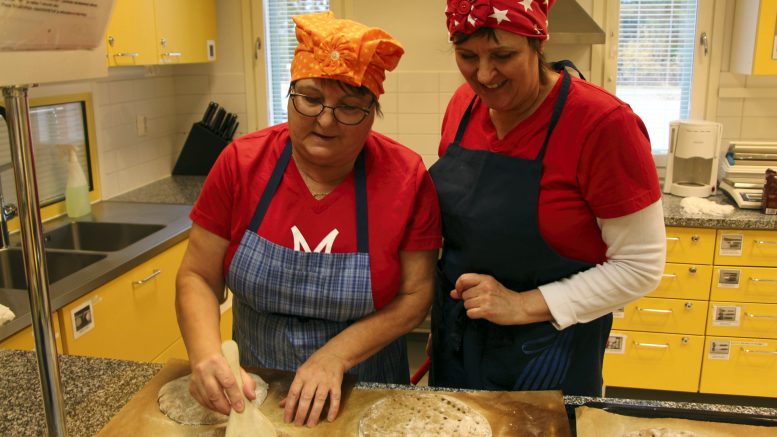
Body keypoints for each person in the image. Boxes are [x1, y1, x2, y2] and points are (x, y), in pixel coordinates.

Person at [176, 11, 441, 427]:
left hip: (367, 392)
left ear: (373, 113)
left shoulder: (405, 178)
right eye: (311, 98)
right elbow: (197, 275)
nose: (325, 120)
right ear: (290, 93)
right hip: (254, 391)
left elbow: (415, 297)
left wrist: (336, 355)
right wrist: (206, 354)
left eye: (349, 107)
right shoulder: (241, 163)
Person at [428, 0, 666, 396]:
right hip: (459, 340)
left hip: (549, 354)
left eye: (503, 55)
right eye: (467, 56)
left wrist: (522, 304)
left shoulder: (603, 124)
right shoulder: (463, 106)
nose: (484, 75)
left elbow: (641, 266)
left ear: (537, 44)